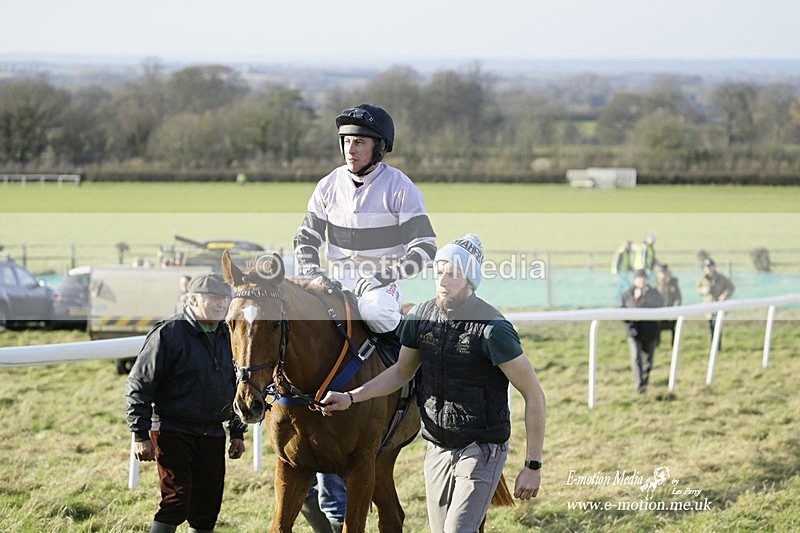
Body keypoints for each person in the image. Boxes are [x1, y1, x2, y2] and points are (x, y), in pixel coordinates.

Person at [320, 234, 546, 532]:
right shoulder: (420, 317)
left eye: (452, 274)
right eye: (439, 271)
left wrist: (532, 466)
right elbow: (401, 372)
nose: (442, 280)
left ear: (470, 280)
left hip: (481, 449)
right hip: (437, 449)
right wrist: (352, 397)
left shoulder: (494, 330)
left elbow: (534, 395)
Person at [293, 103, 437, 530]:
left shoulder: (400, 187)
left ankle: (410, 396)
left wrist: (384, 273)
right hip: (332, 286)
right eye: (345, 141)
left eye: (358, 142)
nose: (350, 149)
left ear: (379, 147)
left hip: (380, 289)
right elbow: (305, 239)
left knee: (377, 312)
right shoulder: (327, 186)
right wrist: (314, 277)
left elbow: (426, 247)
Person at [126, 273, 247, 533]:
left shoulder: (229, 334)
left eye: (224, 298)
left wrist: (237, 432)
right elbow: (139, 384)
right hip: (172, 429)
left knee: (207, 509)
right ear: (192, 299)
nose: (220, 304)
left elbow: (235, 385)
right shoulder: (168, 333)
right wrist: (139, 434)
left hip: (213, 432)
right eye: (213, 298)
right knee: (176, 500)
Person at [619, 269, 664, 393]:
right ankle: (639, 385)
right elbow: (621, 311)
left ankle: (644, 382)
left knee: (648, 360)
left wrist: (643, 299)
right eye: (639, 279)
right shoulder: (627, 295)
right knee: (636, 357)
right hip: (634, 331)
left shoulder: (654, 293)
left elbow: (659, 306)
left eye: (643, 279)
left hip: (650, 331)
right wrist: (636, 301)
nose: (641, 281)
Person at [695, 258, 735, 350]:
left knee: (716, 324)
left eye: (710, 266)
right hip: (708, 307)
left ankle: (717, 346)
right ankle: (714, 345)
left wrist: (725, 295)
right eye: (706, 267)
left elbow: (731, 287)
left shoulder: (721, 278)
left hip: (719, 306)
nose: (708, 269)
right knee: (711, 326)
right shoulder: (703, 279)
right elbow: (698, 289)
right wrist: (702, 291)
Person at [654, 264, 682, 346]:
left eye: (665, 272)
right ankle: (657, 344)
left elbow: (678, 298)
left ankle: (673, 344)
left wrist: (675, 308)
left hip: (671, 311)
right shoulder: (656, 284)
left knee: (672, 328)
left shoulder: (673, 284)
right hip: (660, 311)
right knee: (657, 328)